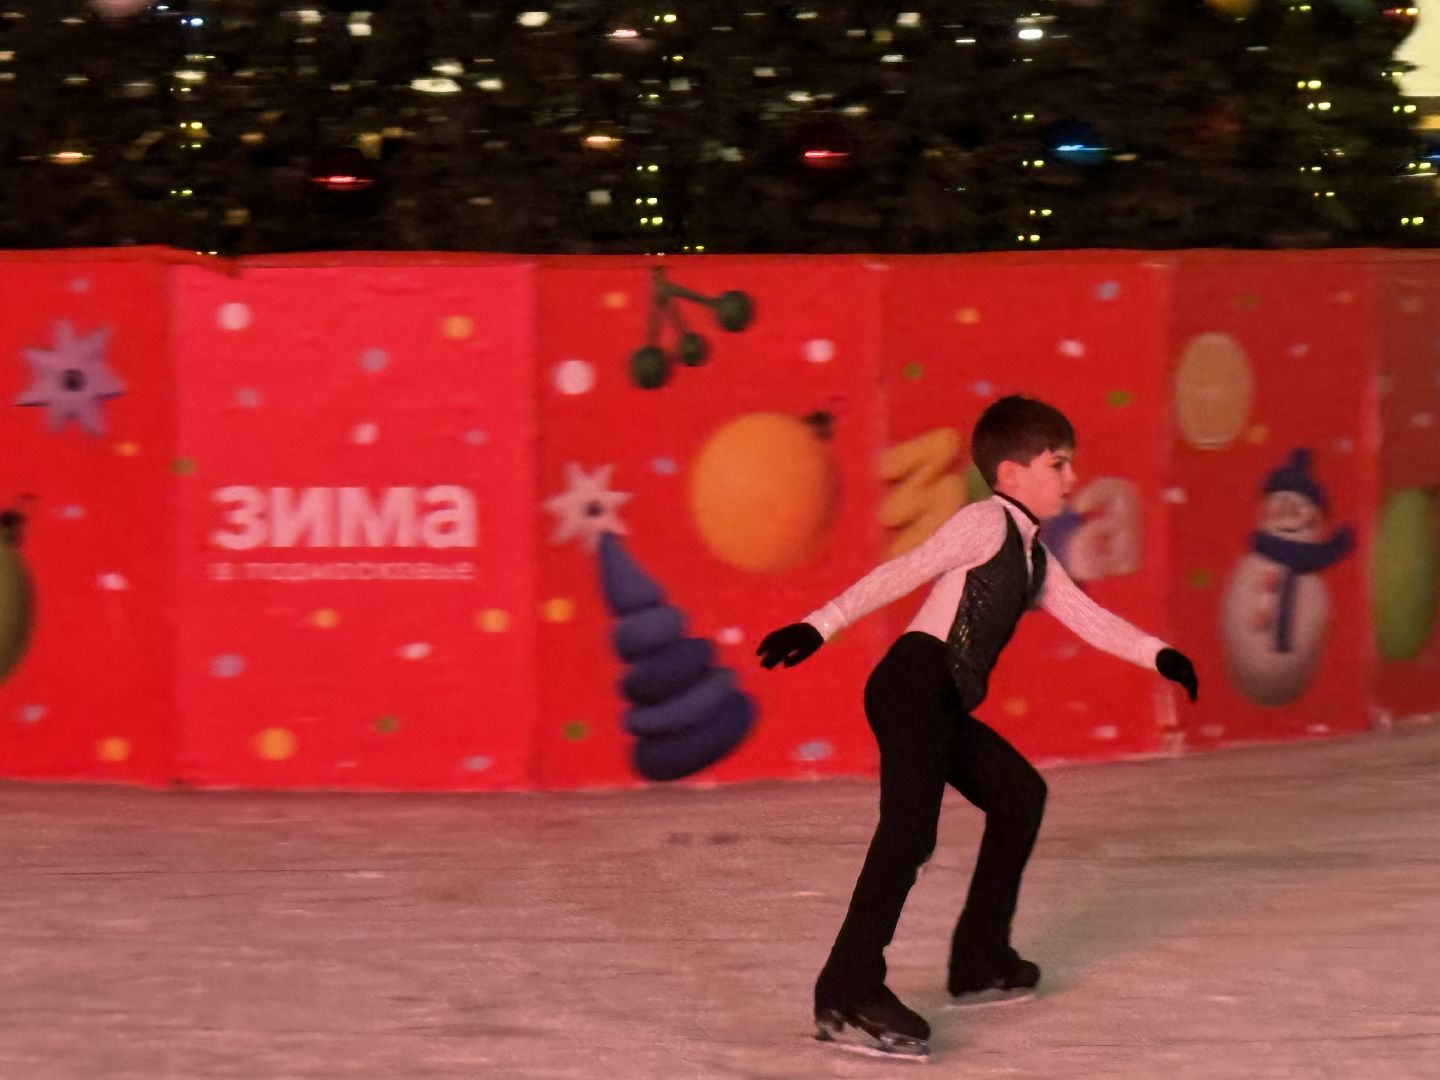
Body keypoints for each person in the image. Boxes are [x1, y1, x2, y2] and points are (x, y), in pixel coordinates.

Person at [756, 395, 1198, 1060]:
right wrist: (819, 624)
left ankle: (979, 959)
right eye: (1058, 464)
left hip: (939, 697)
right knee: (910, 832)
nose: (1072, 479)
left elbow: (1091, 619)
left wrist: (1161, 655)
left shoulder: (1033, 560)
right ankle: (846, 990)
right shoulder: (984, 521)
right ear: (1012, 474)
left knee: (1019, 795)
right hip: (913, 683)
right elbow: (903, 569)